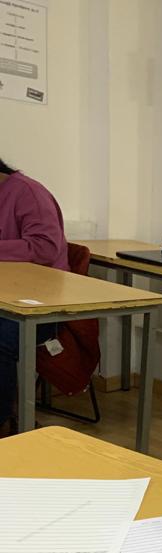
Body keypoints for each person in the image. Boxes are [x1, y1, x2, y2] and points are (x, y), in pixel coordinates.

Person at [0, 157, 69, 435]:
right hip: (6, 298)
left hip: (40, 306)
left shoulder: (27, 193)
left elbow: (44, 248)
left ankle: (5, 422)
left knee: (0, 339)